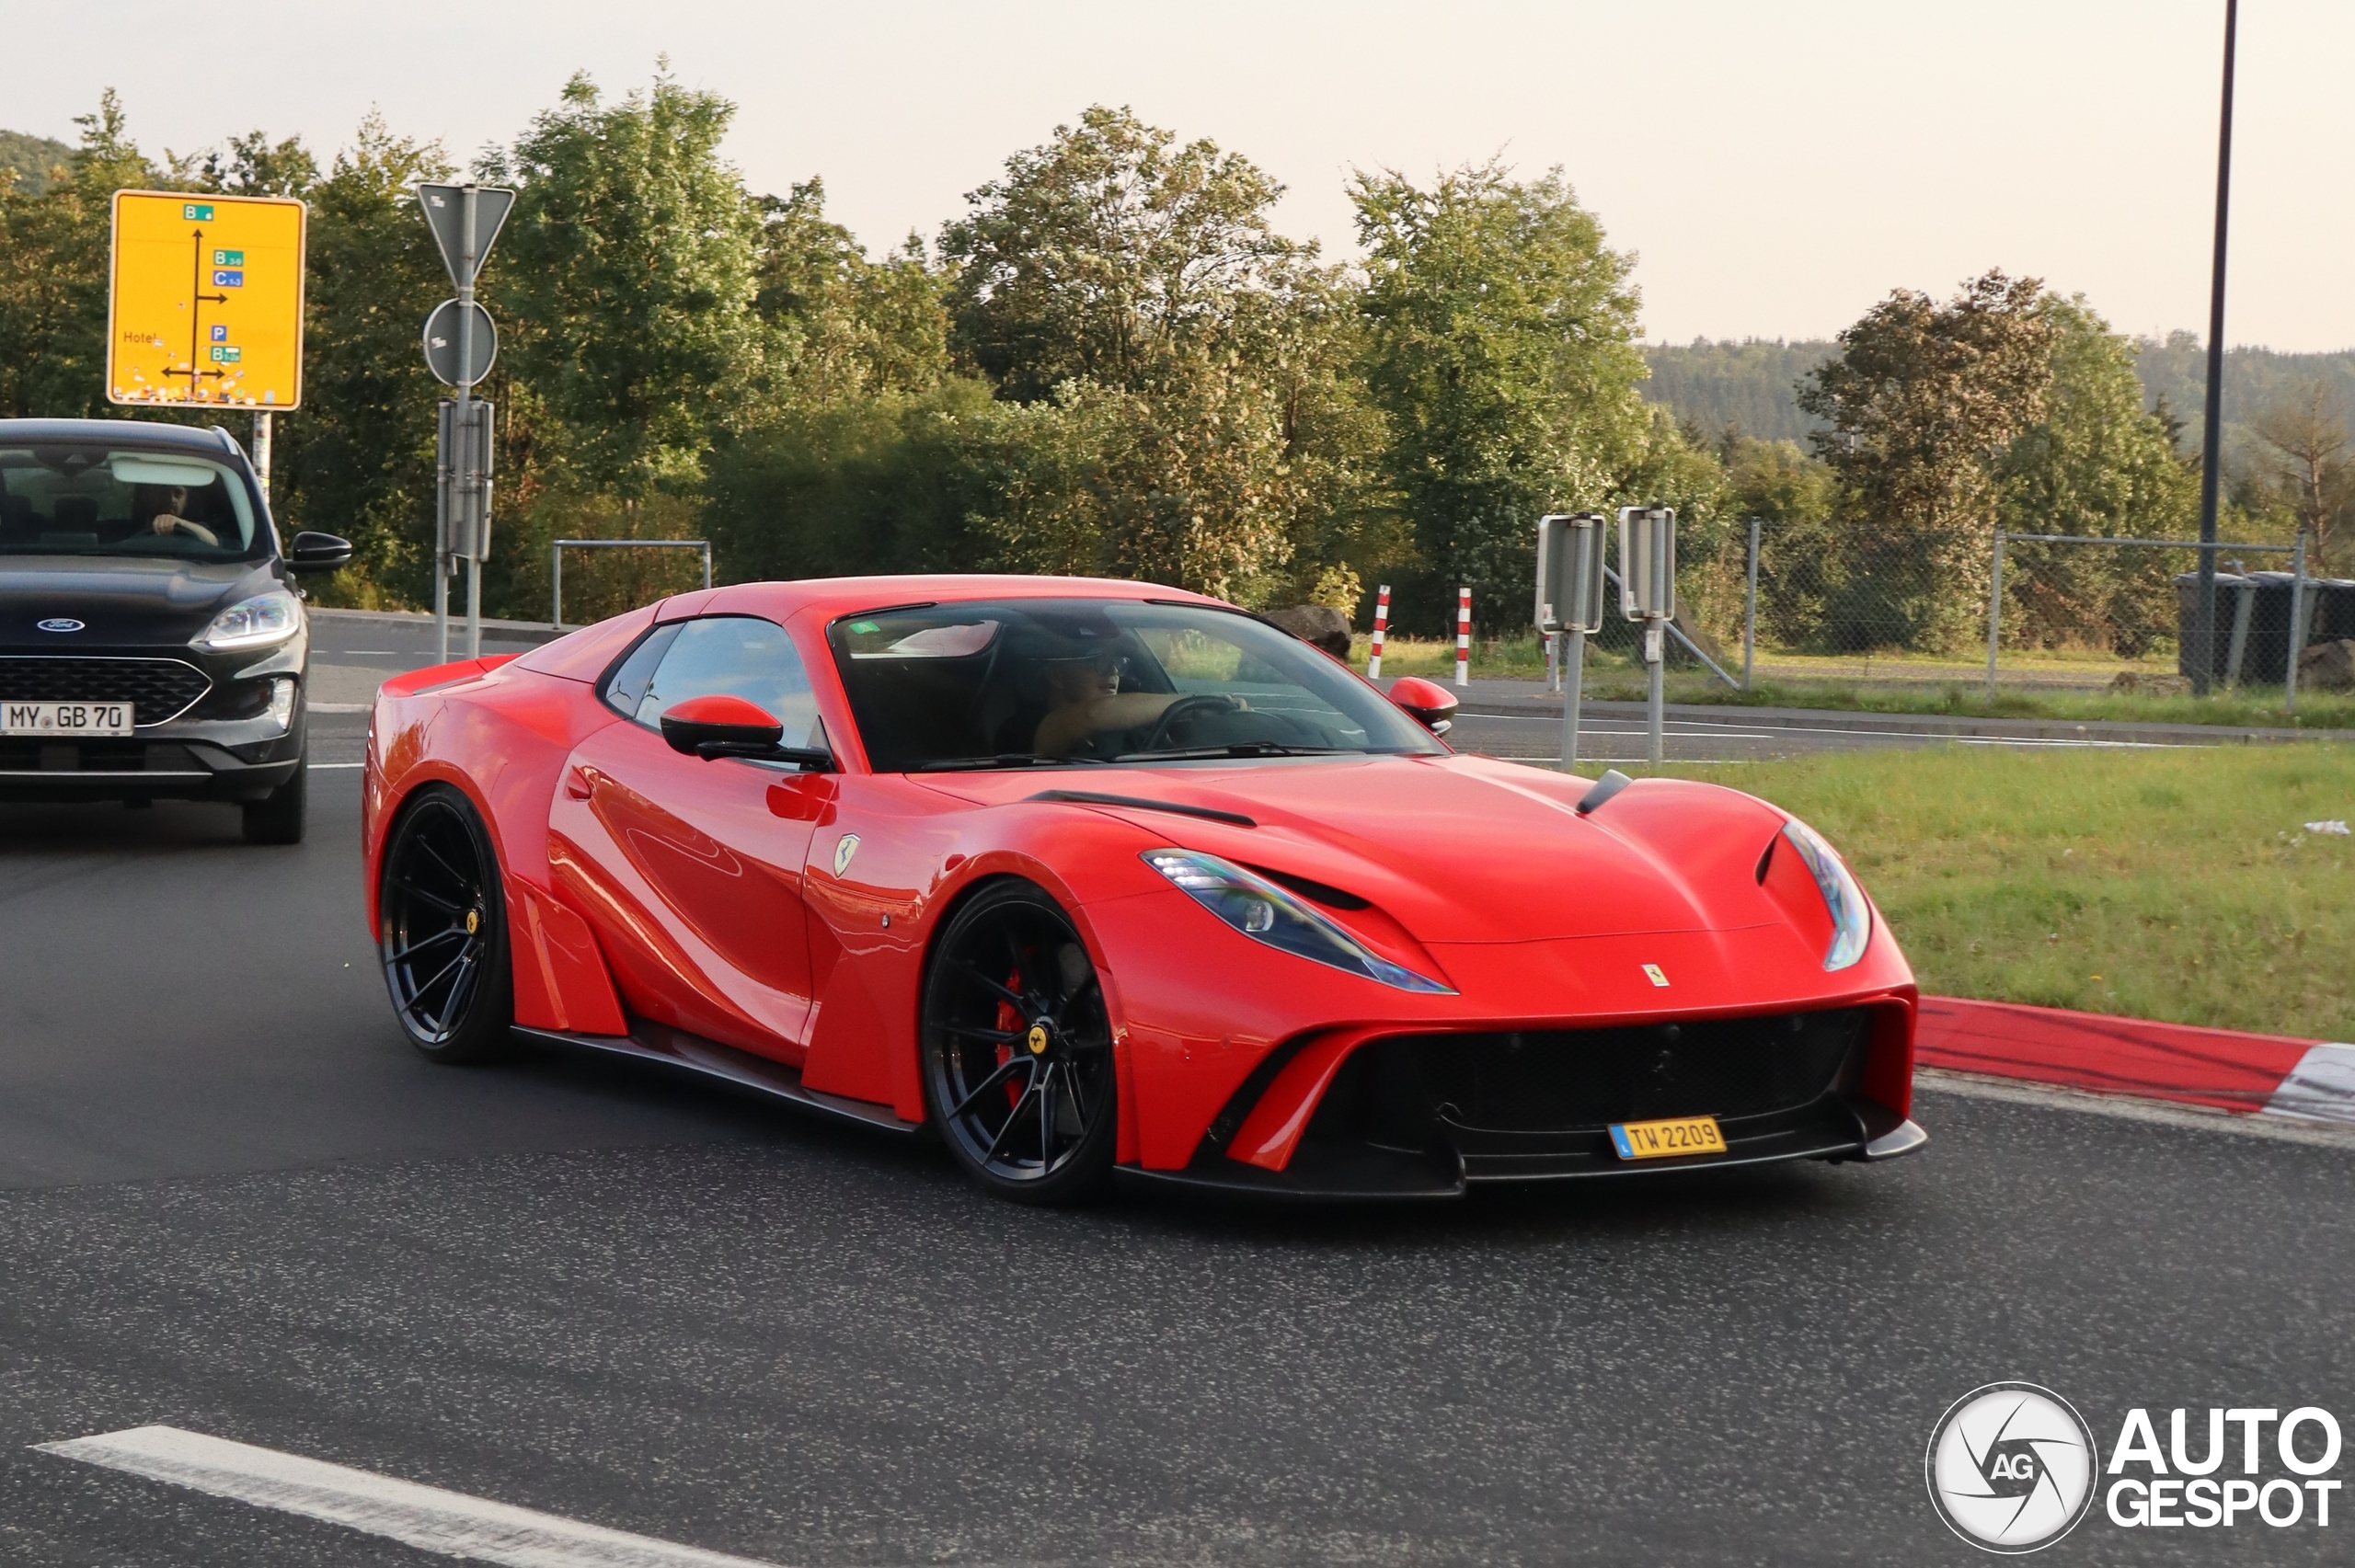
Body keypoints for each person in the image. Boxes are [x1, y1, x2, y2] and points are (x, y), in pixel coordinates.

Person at [1032, 652, 1236, 756]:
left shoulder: (1138, 731)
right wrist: (1193, 703)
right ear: (1057, 675)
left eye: (1117, 662)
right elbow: (1092, 715)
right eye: (1098, 662)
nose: (1112, 671)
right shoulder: (1026, 727)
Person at [125, 482, 219, 546]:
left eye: (178, 493)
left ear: (186, 501)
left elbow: (213, 543)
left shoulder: (196, 530)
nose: (171, 499)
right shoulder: (127, 531)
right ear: (147, 496)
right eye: (163, 492)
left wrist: (180, 523)